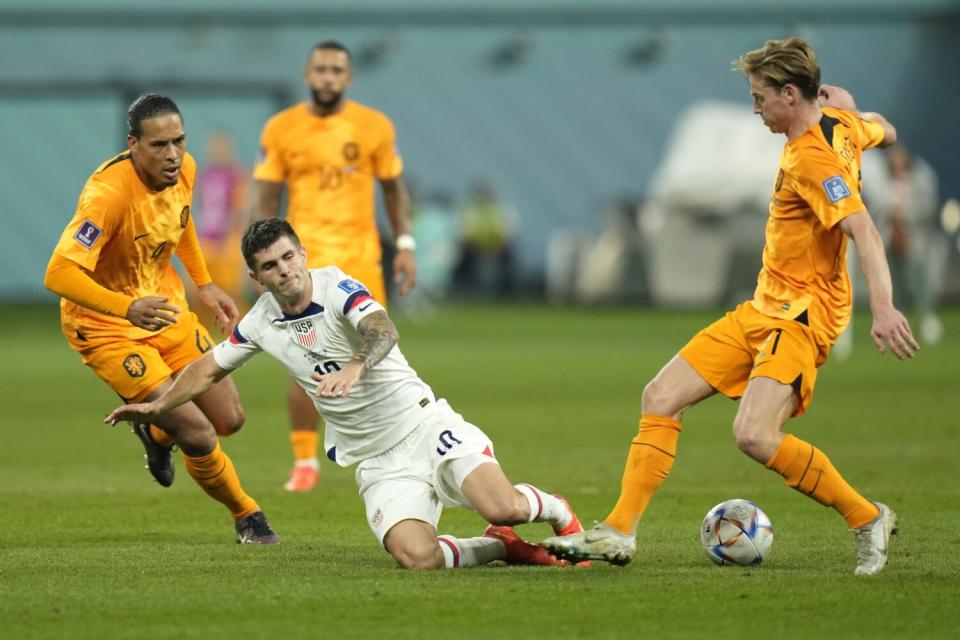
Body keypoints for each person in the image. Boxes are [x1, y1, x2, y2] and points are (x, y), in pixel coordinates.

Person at [545, 37, 917, 576]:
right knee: (661, 395)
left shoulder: (814, 157)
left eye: (761, 97)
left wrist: (883, 308)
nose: (755, 109)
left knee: (754, 435)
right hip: (764, 306)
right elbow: (888, 126)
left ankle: (866, 517)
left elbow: (863, 229)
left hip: (802, 315)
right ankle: (619, 531)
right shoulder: (843, 124)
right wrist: (849, 108)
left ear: (790, 95)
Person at [106, 219, 585, 570]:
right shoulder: (259, 322)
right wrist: (157, 406)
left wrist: (356, 365)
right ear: (257, 279)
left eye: (289, 257)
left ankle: (557, 508)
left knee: (505, 506)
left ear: (303, 254)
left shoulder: (338, 288)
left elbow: (383, 329)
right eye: (271, 266)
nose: (285, 270)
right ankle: (503, 547)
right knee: (417, 559)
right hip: (376, 460)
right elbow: (209, 368)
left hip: (426, 427)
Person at [44, 93, 279, 545]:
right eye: (159, 145)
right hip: (106, 325)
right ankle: (247, 515)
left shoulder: (185, 170)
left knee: (230, 419)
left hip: (164, 309)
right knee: (198, 430)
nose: (172, 154)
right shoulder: (107, 196)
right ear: (133, 144)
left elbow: (182, 221)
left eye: (179, 141)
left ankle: (155, 429)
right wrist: (124, 307)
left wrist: (205, 282)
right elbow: (58, 272)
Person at [253, 40, 417, 492]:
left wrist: (404, 243)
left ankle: (391, 447)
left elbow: (393, 187)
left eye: (336, 70)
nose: (328, 77)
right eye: (320, 69)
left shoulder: (373, 126)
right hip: (303, 262)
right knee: (304, 361)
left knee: (378, 354)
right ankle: (305, 460)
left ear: (349, 78)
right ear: (308, 75)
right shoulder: (282, 128)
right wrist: (261, 263)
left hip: (361, 259)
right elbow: (267, 196)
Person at [194, 130, 251, 327]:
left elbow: (239, 208)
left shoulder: (236, 175)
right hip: (207, 236)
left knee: (231, 287)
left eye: (221, 148)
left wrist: (231, 236)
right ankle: (203, 326)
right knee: (199, 285)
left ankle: (240, 327)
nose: (217, 152)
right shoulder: (205, 174)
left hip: (228, 238)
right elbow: (202, 205)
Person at [452, 179, 516, 297]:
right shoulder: (470, 211)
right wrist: (478, 249)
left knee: (510, 259)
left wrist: (495, 249)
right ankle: (464, 290)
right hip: (474, 251)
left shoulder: (501, 211)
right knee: (460, 261)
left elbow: (507, 236)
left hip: (497, 250)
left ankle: (506, 291)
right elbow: (466, 237)